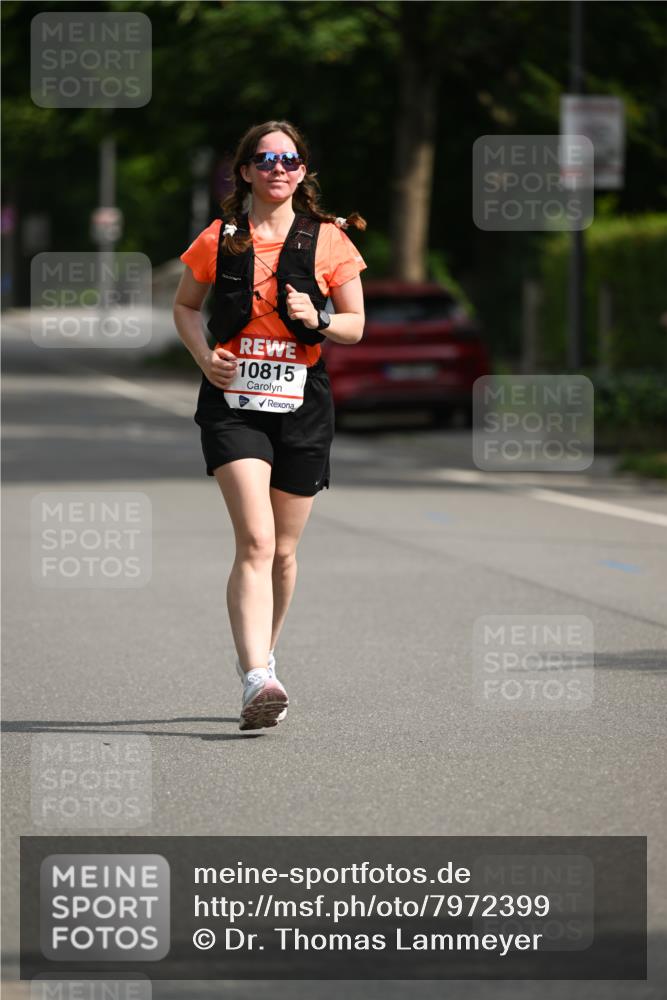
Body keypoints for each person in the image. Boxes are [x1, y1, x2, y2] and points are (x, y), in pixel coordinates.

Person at [173, 120, 367, 732]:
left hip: (303, 400)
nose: (278, 168)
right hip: (233, 402)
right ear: (246, 171)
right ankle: (257, 675)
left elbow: (356, 326)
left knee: (284, 552)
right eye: (265, 159)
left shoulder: (331, 243)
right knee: (255, 541)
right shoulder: (220, 238)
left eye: (289, 159)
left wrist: (320, 317)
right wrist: (206, 358)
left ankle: (265, 659)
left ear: (302, 171)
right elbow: (185, 306)